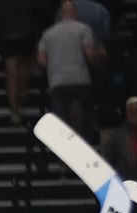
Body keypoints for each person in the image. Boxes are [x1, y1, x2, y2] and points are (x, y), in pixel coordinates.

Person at [37, 1, 100, 142]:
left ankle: (63, 156)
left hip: (57, 81)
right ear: (75, 13)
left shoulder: (48, 33)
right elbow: (90, 54)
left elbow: (41, 59)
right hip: (81, 79)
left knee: (61, 120)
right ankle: (84, 143)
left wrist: (53, 66)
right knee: (87, 115)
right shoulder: (83, 29)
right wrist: (98, 59)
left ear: (60, 14)